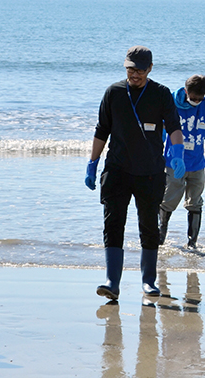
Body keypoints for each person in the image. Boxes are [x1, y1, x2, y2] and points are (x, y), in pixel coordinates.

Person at [85, 45, 185, 300]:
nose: (135, 74)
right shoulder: (113, 93)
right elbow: (101, 130)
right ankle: (112, 282)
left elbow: (174, 127)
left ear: (150, 68)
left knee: (149, 225)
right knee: (113, 223)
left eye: (140, 70)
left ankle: (148, 281)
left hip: (150, 171)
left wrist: (179, 153)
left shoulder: (161, 94)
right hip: (117, 169)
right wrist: (92, 163)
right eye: (131, 69)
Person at [159, 74, 205, 248]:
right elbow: (161, 133)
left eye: (200, 98)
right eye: (193, 98)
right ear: (186, 91)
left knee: (195, 202)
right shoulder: (170, 102)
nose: (197, 101)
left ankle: (192, 244)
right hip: (174, 163)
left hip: (197, 164)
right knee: (168, 201)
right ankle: (159, 239)